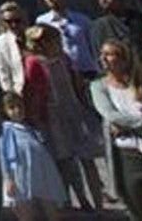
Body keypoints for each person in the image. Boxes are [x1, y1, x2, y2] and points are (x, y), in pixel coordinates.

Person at [22, 24, 106, 211]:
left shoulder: (63, 58)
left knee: (87, 158)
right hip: (53, 114)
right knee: (64, 161)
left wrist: (83, 103)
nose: (57, 44)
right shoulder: (34, 63)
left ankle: (98, 204)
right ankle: (73, 201)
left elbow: (75, 83)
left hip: (74, 110)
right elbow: (34, 93)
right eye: (53, 40)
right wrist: (36, 118)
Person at [89, 39, 142, 221]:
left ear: (124, 60)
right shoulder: (99, 87)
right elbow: (111, 115)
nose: (104, 58)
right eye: (102, 54)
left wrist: (132, 125)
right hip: (127, 158)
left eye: (110, 54)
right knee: (140, 213)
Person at [0, 91, 68, 220]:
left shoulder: (30, 128)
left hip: (40, 170)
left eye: (20, 106)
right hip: (20, 173)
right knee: (25, 210)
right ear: (4, 111)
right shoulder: (6, 129)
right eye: (12, 107)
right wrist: (8, 178)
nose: (17, 110)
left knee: (50, 206)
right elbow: (4, 155)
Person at [35, 0, 99, 78]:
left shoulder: (81, 20)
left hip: (86, 69)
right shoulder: (42, 22)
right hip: (63, 73)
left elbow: (93, 44)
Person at [0, 2, 27, 94]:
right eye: (8, 21)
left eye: (17, 20)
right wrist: (9, 92)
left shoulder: (31, 35)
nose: (13, 25)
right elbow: (2, 69)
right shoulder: (0, 42)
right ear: (2, 22)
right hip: (19, 89)